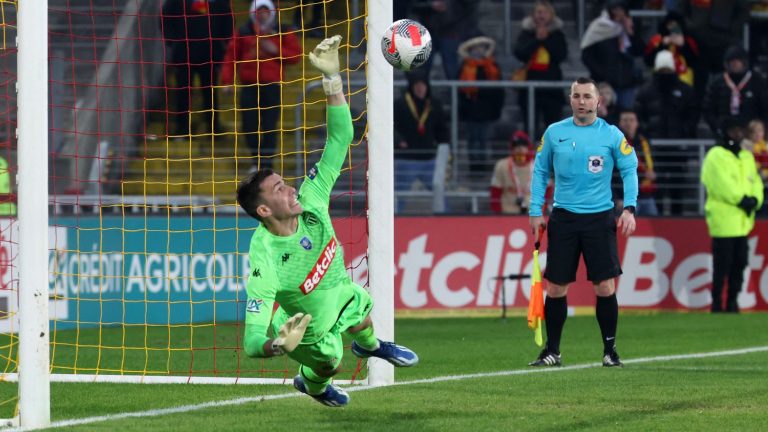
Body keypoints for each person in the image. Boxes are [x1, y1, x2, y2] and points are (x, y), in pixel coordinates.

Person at [236, 36, 419, 407]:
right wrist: (275, 345)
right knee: (330, 364)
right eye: (279, 190)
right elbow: (251, 339)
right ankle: (312, 385)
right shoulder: (265, 258)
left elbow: (341, 138)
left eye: (286, 183)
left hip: (339, 291)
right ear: (264, 211)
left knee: (363, 316)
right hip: (305, 328)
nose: (290, 190)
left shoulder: (311, 199)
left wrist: (333, 80)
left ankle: (370, 348)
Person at [528, 77, 638, 368]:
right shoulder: (554, 133)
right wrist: (534, 210)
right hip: (563, 217)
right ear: (570, 99)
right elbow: (540, 171)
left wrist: (629, 208)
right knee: (556, 287)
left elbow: (630, 169)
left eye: (587, 96)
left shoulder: (612, 135)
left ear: (598, 101)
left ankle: (610, 350)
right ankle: (552, 351)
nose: (581, 101)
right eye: (576, 96)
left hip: (599, 219)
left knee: (604, 286)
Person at [220, 0, 301, 170]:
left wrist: (275, 50)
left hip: (272, 86)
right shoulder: (244, 31)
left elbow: (296, 56)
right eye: (259, 11)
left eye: (266, 11)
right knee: (249, 126)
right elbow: (231, 57)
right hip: (249, 86)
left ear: (271, 12)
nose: (262, 14)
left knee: (269, 126)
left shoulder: (283, 30)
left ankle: (266, 164)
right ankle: (256, 160)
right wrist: (227, 81)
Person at [701, 117, 763, 313]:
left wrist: (755, 199)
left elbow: (756, 182)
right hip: (724, 220)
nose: (736, 135)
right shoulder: (715, 155)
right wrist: (743, 199)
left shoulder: (745, 156)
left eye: (739, 131)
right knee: (722, 265)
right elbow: (719, 184)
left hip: (743, 222)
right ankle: (717, 302)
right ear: (725, 132)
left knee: (740, 263)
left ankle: (733, 301)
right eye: (733, 131)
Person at [162, 0, 233, 138]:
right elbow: (165, 17)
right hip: (184, 53)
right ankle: (182, 129)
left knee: (209, 92)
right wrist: (173, 41)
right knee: (183, 92)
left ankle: (213, 128)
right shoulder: (175, 3)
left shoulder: (218, 3)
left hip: (209, 53)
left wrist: (223, 42)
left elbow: (228, 19)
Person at [393, 70, 449, 213]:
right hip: (405, 160)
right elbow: (389, 126)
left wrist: (446, 148)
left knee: (440, 194)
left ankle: (447, 220)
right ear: (411, 86)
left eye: (423, 85)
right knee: (398, 197)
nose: (420, 88)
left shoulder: (434, 104)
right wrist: (398, 141)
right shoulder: (400, 104)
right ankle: (393, 223)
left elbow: (441, 129)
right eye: (417, 85)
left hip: (429, 160)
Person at [513, 0, 567, 138]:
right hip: (529, 87)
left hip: (551, 88)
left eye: (544, 12)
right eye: (538, 12)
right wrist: (537, 40)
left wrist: (546, 39)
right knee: (530, 125)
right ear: (533, 15)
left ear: (551, 15)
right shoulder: (527, 33)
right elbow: (519, 52)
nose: (541, 15)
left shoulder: (557, 34)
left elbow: (561, 54)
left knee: (553, 127)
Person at [580, 0, 644, 110]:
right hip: (604, 84)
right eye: (615, 10)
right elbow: (586, 55)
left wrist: (630, 33)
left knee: (625, 115)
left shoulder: (628, 28)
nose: (619, 13)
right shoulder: (599, 27)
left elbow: (639, 51)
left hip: (626, 83)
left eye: (621, 10)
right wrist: (602, 74)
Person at [678, 0, 751, 96]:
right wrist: (691, 26)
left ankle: (726, 106)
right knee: (698, 82)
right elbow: (680, 10)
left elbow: (744, 11)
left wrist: (732, 30)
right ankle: (697, 107)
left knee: (726, 82)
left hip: (724, 41)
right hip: (698, 41)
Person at [458, 35, 504, 176]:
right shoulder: (465, 66)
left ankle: (482, 165)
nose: (479, 50)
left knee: (483, 138)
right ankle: (473, 166)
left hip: (487, 108)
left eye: (482, 47)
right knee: (472, 138)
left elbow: (498, 89)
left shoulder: (492, 66)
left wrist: (495, 107)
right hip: (470, 108)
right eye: (476, 47)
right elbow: (460, 90)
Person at [702, 45, 768, 139]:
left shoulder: (757, 81)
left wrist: (760, 128)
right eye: (732, 62)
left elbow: (765, 108)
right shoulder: (717, 82)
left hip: (751, 133)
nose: (735, 64)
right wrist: (717, 126)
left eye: (738, 61)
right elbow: (708, 108)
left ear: (744, 62)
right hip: (724, 132)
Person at [642, 10, 700, 88]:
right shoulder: (657, 40)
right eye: (670, 25)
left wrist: (683, 46)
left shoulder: (689, 40)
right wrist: (662, 45)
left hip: (683, 82)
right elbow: (648, 61)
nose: (673, 28)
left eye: (676, 26)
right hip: (660, 81)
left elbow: (696, 63)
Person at [617, 109, 658, 216]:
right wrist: (617, 199)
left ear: (637, 123)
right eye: (625, 120)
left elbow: (653, 163)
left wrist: (653, 173)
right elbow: (613, 174)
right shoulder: (616, 143)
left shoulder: (643, 142)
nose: (628, 123)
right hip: (626, 197)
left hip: (646, 194)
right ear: (620, 123)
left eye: (631, 120)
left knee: (655, 226)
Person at [489, 131, 533, 214]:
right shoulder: (502, 165)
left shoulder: (538, 166)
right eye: (516, 145)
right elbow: (495, 192)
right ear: (512, 148)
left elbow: (547, 190)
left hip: (533, 214)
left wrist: (542, 211)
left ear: (529, 147)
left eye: (524, 145)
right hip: (508, 213)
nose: (520, 148)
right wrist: (497, 214)